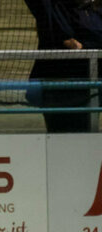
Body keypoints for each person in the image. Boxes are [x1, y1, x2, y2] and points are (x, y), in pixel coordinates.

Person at [25, 0, 102, 133]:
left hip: (91, 89)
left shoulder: (95, 13)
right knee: (60, 137)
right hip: (57, 89)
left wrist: (83, 46)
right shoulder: (54, 12)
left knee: (87, 137)